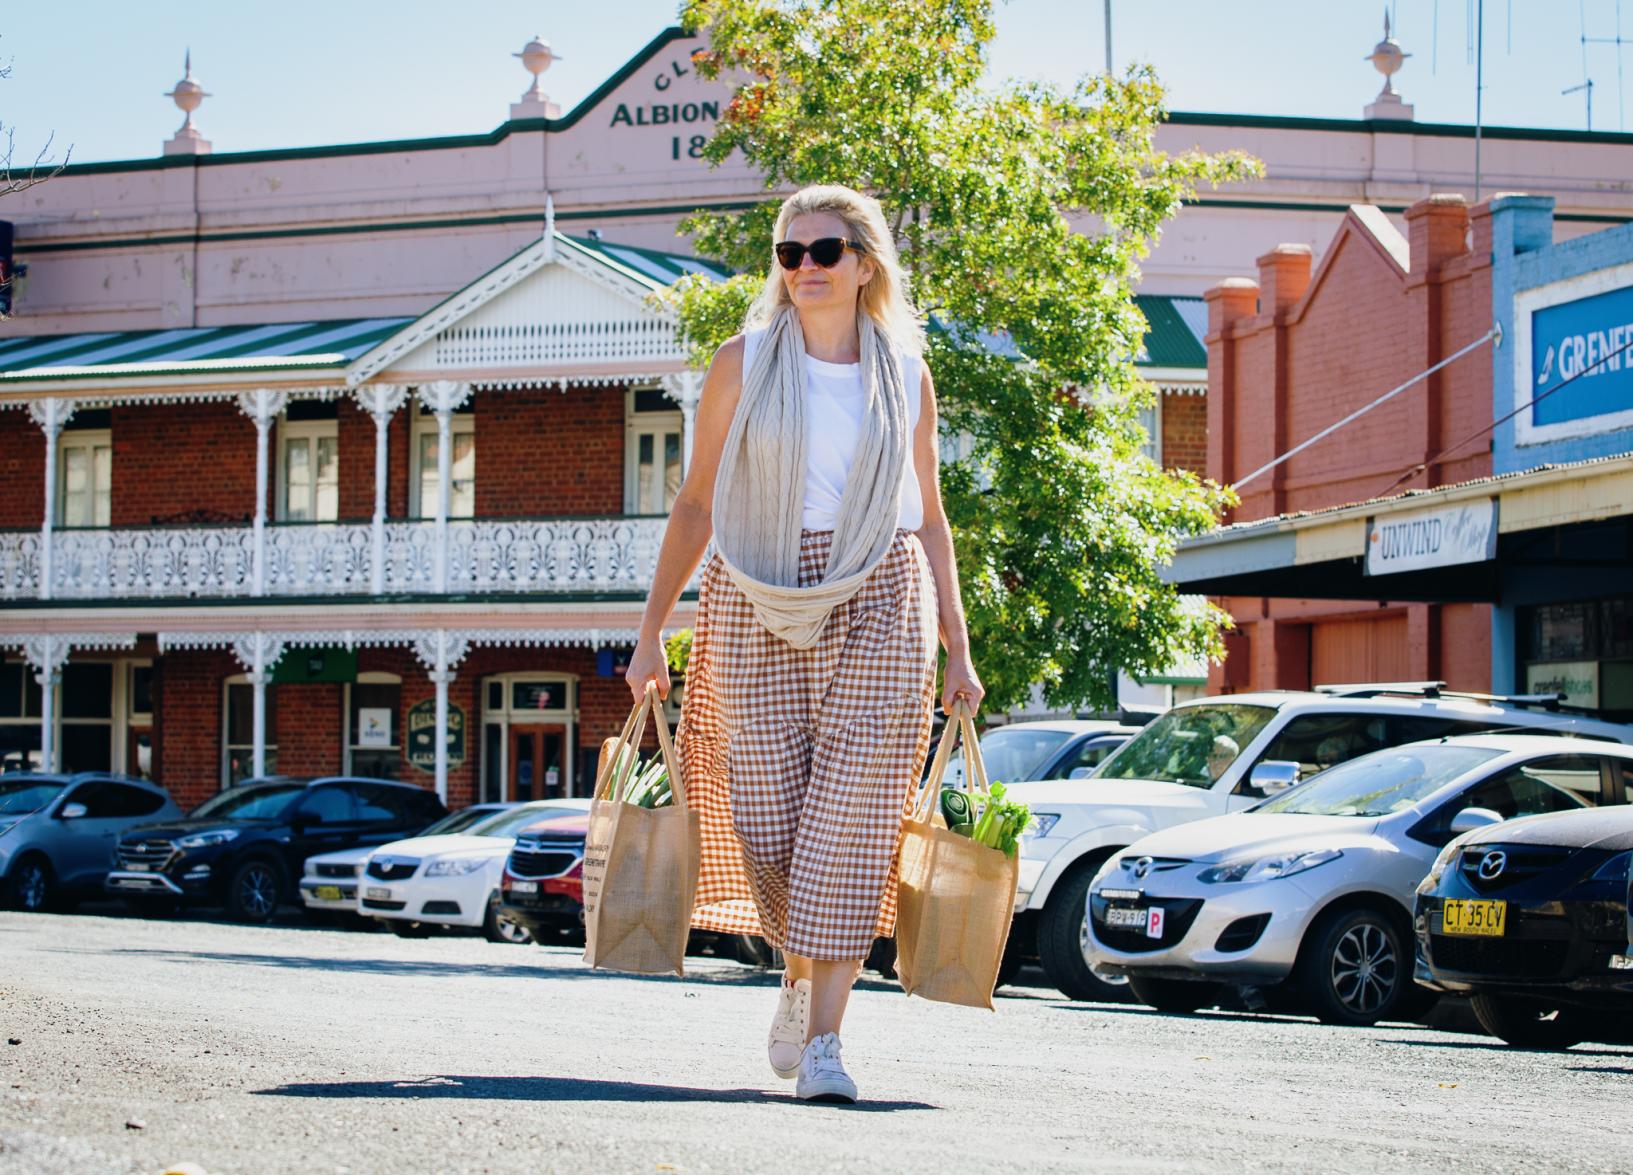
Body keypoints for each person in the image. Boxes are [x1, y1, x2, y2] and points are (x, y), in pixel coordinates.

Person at [625, 184, 982, 1104]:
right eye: (789, 254)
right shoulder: (741, 362)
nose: (806, 268)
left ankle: (824, 1039)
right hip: (754, 589)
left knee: (853, 817)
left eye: (824, 251)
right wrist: (649, 631)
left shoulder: (905, 370)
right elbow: (696, 501)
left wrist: (958, 644)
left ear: (865, 262)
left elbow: (932, 517)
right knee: (766, 814)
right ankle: (796, 971)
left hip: (881, 583)